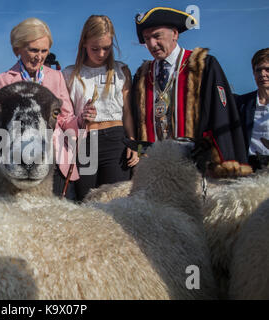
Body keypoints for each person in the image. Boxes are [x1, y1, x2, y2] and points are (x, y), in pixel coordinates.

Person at [132, 7, 251, 177]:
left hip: (195, 165)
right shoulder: (143, 75)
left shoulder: (202, 66)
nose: (151, 44)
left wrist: (216, 158)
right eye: (146, 39)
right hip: (155, 165)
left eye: (157, 36)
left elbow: (221, 115)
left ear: (175, 33)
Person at [0, 18, 77, 200]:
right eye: (33, 50)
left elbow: (65, 118)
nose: (39, 56)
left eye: (44, 51)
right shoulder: (5, 80)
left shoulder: (56, 77)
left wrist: (81, 121)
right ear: (18, 48)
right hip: (19, 160)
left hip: (55, 160)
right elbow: (1, 125)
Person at [61, 15, 139, 201]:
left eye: (106, 48)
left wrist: (133, 142)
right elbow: (66, 115)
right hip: (86, 143)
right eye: (95, 48)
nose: (101, 54)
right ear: (84, 44)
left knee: (116, 202)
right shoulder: (70, 74)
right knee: (87, 201)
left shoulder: (122, 70)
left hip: (116, 141)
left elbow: (128, 112)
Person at [235, 48, 269, 172]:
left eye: (267, 69)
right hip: (249, 169)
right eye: (258, 70)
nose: (262, 74)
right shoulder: (242, 103)